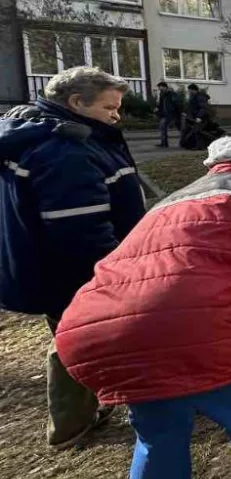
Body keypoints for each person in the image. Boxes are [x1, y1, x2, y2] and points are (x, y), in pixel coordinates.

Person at [54, 135, 231, 479]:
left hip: (92, 332)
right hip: (187, 333)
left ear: (209, 167)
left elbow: (174, 271)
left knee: (159, 434)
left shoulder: (169, 203)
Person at [0, 67, 145, 447]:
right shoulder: (65, 151)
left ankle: (87, 410)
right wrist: (116, 274)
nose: (117, 116)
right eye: (109, 108)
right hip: (76, 273)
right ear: (76, 103)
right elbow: (80, 229)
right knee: (77, 341)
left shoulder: (36, 130)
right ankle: (71, 424)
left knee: (73, 337)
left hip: (45, 267)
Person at [154, 82, 183, 148]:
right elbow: (160, 104)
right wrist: (158, 109)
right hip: (165, 114)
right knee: (162, 127)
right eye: (159, 88)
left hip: (173, 114)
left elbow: (177, 104)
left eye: (161, 88)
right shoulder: (162, 95)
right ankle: (164, 143)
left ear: (165, 87)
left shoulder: (172, 94)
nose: (160, 89)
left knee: (180, 128)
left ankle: (184, 142)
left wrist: (179, 112)